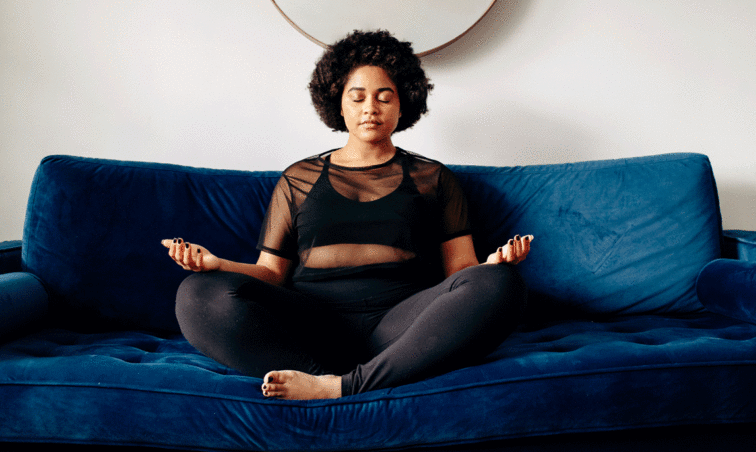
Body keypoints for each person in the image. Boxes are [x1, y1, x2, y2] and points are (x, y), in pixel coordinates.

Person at [162, 30, 532, 400]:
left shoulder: (433, 179)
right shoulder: (299, 180)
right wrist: (216, 264)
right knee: (196, 294)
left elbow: (459, 272)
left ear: (404, 106)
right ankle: (320, 376)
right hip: (312, 327)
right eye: (357, 98)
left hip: (403, 329)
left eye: (384, 97)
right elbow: (271, 273)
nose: (370, 107)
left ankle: (338, 387)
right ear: (338, 105)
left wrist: (491, 265)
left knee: (502, 284)